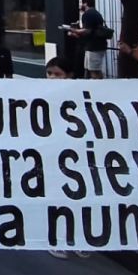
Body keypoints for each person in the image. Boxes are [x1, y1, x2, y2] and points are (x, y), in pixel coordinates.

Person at [43, 56, 91, 260]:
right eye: (49, 73)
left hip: (75, 154)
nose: (53, 78)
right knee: (56, 196)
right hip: (52, 153)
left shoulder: (81, 95)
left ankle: (79, 237)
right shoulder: (40, 95)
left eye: (58, 74)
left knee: (79, 196)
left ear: (70, 75)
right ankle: (57, 239)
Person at [68, 0, 109, 79]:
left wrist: (73, 30)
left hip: (94, 47)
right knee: (90, 69)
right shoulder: (95, 13)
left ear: (85, 3)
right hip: (94, 46)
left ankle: (99, 85)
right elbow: (90, 31)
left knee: (94, 71)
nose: (80, 5)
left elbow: (87, 31)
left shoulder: (88, 14)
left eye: (81, 3)